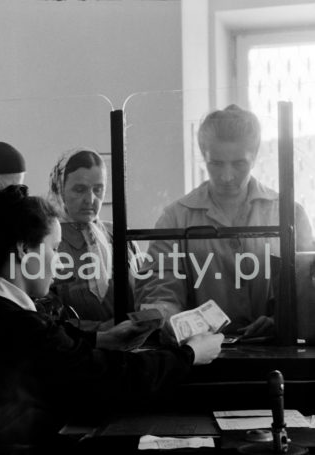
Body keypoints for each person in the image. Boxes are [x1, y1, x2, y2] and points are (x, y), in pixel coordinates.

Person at [0, 185, 223, 450]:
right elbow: (110, 379)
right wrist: (190, 354)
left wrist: (103, 339)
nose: (59, 262)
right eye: (54, 248)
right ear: (23, 250)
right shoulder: (22, 328)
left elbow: (60, 355)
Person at [135, 104, 314, 339]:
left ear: (256, 156)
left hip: (276, 352)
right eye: (216, 164)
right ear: (203, 156)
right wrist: (168, 318)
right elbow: (160, 286)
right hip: (199, 356)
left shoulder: (290, 214)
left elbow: (306, 293)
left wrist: (279, 320)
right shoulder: (175, 217)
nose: (227, 176)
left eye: (240, 164)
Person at [47, 148, 140, 329]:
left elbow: (143, 294)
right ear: (59, 189)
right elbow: (46, 318)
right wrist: (103, 331)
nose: (90, 199)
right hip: (77, 352)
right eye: (79, 189)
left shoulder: (118, 235)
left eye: (98, 189)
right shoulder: (47, 241)